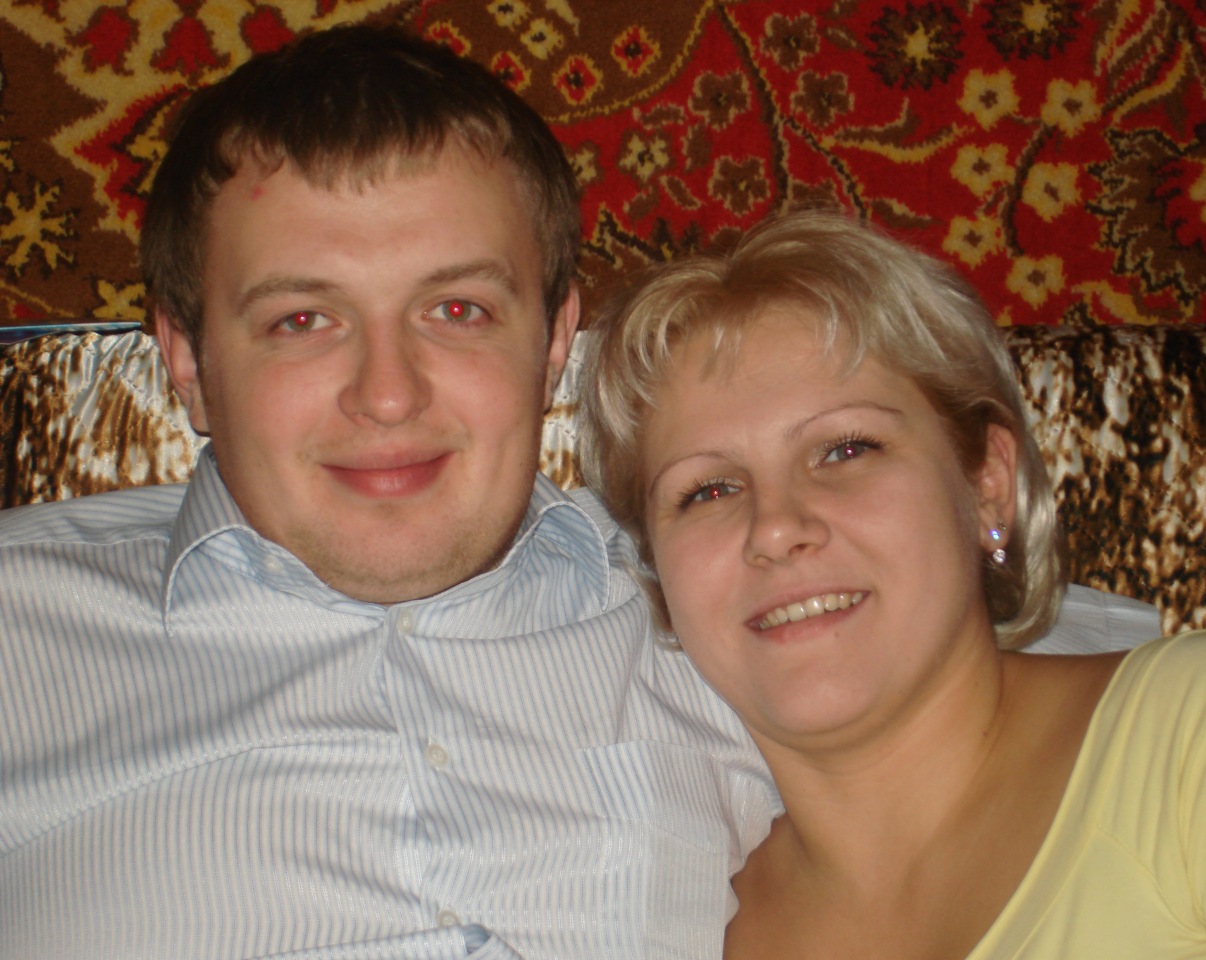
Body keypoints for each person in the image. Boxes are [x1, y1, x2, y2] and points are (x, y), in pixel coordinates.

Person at [0, 26, 779, 960]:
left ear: (553, 342)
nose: (388, 394)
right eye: (302, 319)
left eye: (456, 310)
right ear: (188, 361)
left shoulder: (725, 604)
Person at [577, 209, 1206, 958]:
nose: (775, 528)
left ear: (986, 484)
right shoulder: (680, 928)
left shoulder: (1199, 741)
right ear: (658, 579)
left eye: (846, 449)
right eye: (708, 491)